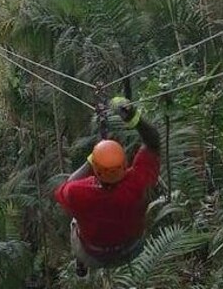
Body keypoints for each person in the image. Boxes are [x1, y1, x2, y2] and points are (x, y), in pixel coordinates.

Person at [54, 96, 161, 276]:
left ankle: (81, 263)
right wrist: (133, 117)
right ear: (125, 162)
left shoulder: (78, 192)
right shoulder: (138, 182)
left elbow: (68, 183)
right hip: (131, 248)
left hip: (92, 255)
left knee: (74, 220)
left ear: (95, 169)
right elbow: (153, 142)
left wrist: (93, 159)